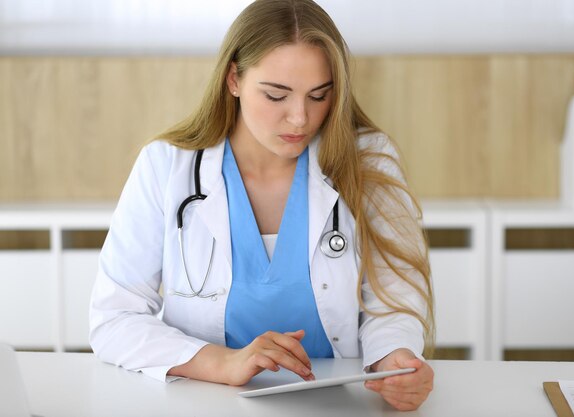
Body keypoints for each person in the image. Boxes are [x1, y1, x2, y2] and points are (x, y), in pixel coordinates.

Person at [89, 0, 434, 411]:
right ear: (233, 78)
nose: (300, 119)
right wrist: (221, 363)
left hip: (338, 404)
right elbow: (114, 318)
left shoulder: (370, 161)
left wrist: (393, 359)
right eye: (276, 95)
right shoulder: (166, 167)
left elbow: (394, 299)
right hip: (204, 401)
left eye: (319, 96)